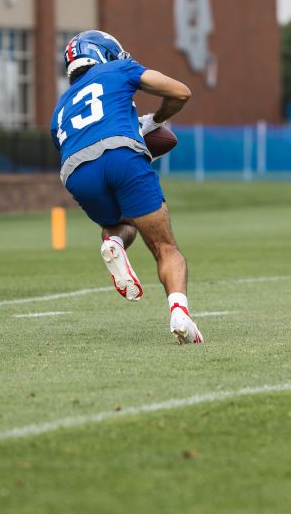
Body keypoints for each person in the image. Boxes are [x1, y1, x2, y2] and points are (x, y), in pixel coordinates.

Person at [50, 30, 203, 344]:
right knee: (166, 248)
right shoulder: (119, 69)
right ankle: (179, 311)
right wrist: (154, 121)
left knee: (120, 223)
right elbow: (180, 92)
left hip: (75, 173)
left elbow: (71, 143)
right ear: (104, 52)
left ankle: (115, 244)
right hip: (120, 156)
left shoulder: (60, 108)